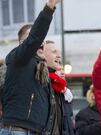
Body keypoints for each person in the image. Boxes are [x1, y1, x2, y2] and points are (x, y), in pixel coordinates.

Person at [0, 1, 58, 134]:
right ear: (22, 44)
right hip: (17, 131)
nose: (41, 41)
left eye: (43, 39)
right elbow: (35, 37)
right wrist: (49, 8)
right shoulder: (18, 59)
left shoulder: (41, 69)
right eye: (35, 38)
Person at [43, 40, 74, 135]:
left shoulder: (61, 86)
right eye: (54, 52)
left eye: (59, 53)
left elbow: (67, 120)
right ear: (42, 54)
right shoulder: (41, 82)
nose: (59, 56)